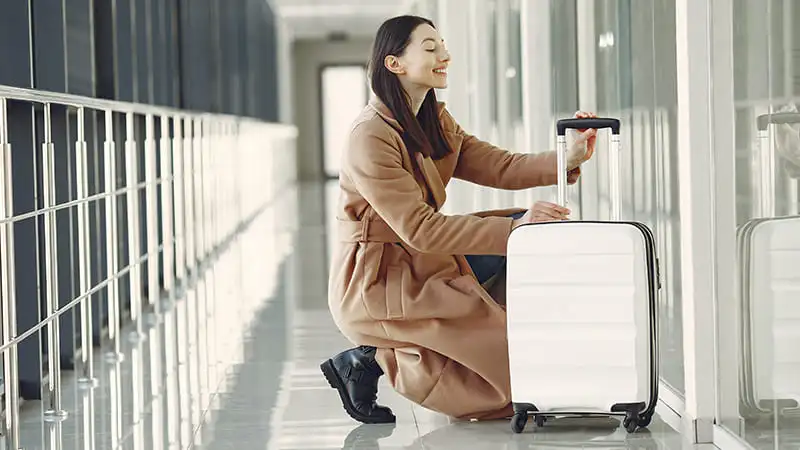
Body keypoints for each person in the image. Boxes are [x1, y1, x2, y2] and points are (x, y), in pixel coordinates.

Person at [320, 15, 598, 424]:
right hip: (379, 281)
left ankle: (378, 357)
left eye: (443, 46)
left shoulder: (433, 120)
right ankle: (371, 358)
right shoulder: (370, 135)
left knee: (528, 248)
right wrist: (516, 230)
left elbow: (500, 166)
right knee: (506, 380)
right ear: (394, 63)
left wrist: (568, 158)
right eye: (430, 49)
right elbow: (420, 228)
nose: (445, 55)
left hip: (421, 262)